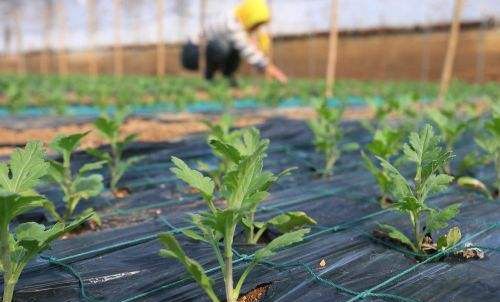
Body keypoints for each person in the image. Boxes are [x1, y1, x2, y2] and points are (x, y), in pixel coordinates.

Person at [181, 0, 288, 86]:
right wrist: (272, 70)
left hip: (206, 51)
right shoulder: (231, 23)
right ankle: (208, 78)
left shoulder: (238, 19)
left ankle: (227, 77)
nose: (256, 28)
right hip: (192, 53)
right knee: (221, 47)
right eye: (256, 24)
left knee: (231, 47)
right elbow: (248, 51)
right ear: (250, 16)